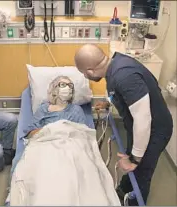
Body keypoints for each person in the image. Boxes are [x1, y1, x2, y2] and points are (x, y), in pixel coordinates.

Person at [74, 44, 173, 205]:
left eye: (84, 73)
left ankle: (134, 202)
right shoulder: (114, 65)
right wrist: (108, 103)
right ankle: (122, 192)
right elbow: (123, 95)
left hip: (154, 130)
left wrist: (134, 159)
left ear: (90, 71)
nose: (85, 77)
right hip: (139, 127)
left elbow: (143, 120)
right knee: (131, 158)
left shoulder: (125, 76)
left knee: (141, 171)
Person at [10, 75, 88, 176]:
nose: (67, 88)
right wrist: (50, 130)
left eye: (70, 85)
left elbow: (83, 136)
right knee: (21, 165)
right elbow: (30, 133)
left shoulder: (76, 110)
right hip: (44, 144)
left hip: (67, 148)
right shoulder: (44, 109)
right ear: (54, 89)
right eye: (63, 84)